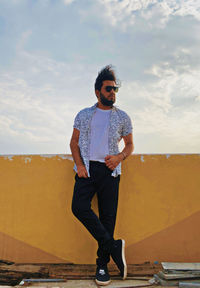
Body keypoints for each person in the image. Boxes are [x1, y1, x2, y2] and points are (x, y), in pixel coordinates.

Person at [70, 65, 134, 286]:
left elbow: (130, 145)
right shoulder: (84, 114)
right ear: (97, 91)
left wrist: (119, 158)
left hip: (110, 171)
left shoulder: (123, 117)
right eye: (108, 89)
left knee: (108, 218)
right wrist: (79, 165)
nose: (112, 93)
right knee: (78, 206)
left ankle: (102, 266)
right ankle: (113, 245)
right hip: (87, 170)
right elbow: (74, 142)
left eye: (115, 89)